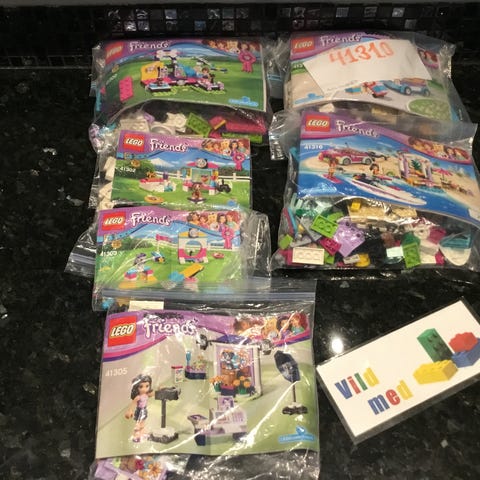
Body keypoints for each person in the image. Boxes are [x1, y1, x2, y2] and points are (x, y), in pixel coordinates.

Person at [125, 374, 154, 442]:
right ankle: (136, 435)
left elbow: (153, 394)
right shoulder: (138, 397)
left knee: (143, 423)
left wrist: (159, 390)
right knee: (138, 424)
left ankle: (142, 433)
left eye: (147, 386)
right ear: (136, 387)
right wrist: (130, 411)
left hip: (144, 410)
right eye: (141, 386)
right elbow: (133, 404)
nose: (144, 389)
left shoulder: (146, 394)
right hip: (139, 410)